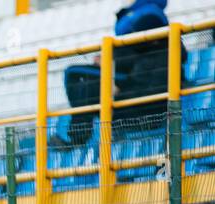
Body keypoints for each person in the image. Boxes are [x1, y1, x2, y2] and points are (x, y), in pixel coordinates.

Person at [60, 1, 181, 146]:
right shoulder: (145, 16)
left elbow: (141, 64)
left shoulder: (149, 17)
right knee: (83, 81)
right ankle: (77, 137)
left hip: (146, 107)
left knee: (79, 78)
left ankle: (77, 138)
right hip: (138, 98)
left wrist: (111, 62)